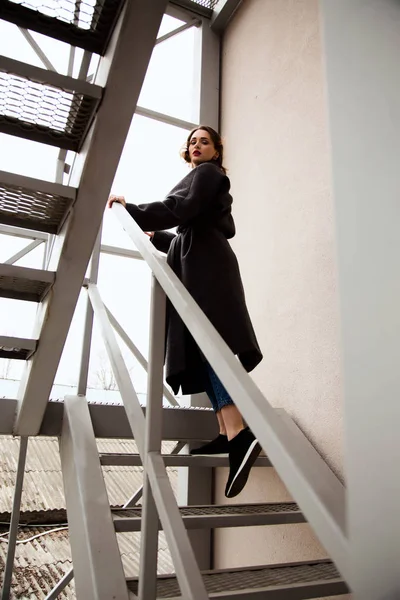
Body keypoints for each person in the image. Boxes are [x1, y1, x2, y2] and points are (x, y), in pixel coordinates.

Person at [108, 125, 263, 498]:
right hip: (200, 264)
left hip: (208, 269)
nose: (196, 145)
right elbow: (185, 231)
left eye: (204, 141)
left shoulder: (208, 175)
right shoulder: (200, 181)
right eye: (192, 141)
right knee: (200, 347)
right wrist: (157, 237)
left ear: (216, 151)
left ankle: (240, 433)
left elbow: (182, 209)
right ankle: (227, 433)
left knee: (210, 345)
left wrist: (133, 212)